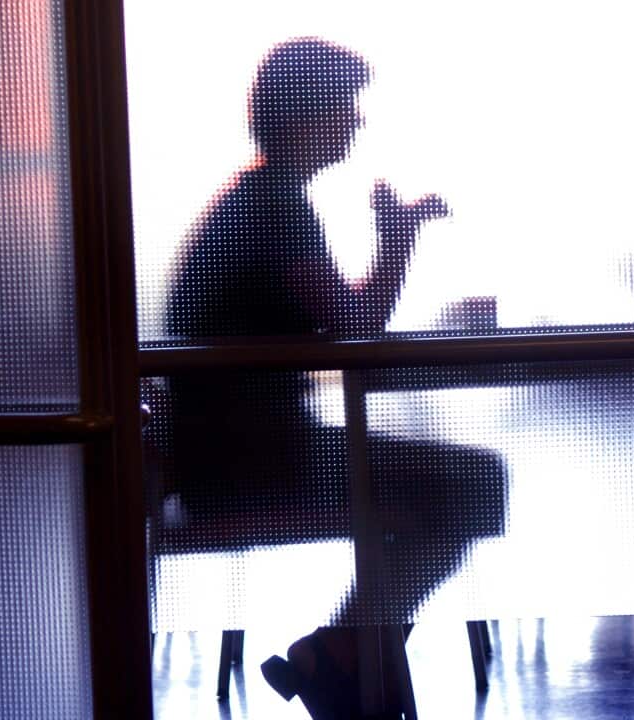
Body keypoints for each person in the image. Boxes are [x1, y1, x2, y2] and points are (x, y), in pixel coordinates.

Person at [164, 38, 505, 720]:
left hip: (226, 454)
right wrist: (399, 241)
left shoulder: (260, 199)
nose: (356, 120)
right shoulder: (274, 207)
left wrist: (396, 240)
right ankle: (344, 651)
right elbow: (355, 331)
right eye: (344, 105)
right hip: (250, 463)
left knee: (464, 481)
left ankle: (344, 653)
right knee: (475, 481)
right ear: (304, 114)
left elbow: (352, 324)